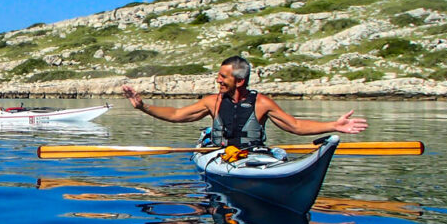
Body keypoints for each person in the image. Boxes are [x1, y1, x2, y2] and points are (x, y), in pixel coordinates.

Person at [122, 55, 367, 147]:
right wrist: (143, 107)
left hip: (253, 156)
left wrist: (334, 126)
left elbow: (295, 126)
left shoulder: (262, 103)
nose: (217, 80)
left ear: (239, 81)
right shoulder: (213, 102)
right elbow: (177, 115)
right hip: (220, 156)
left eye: (222, 76)